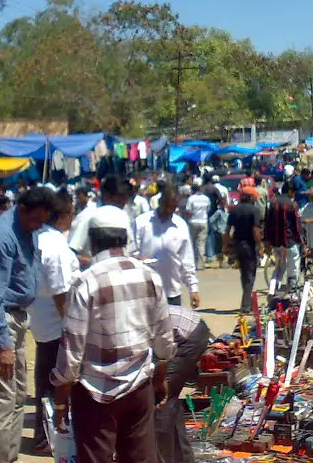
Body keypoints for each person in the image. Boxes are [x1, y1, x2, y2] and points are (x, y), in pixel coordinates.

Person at [50, 205, 175, 463]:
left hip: (95, 394)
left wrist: (61, 403)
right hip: (139, 387)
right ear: (125, 239)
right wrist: (159, 379)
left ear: (93, 241)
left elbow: (71, 354)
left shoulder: (86, 282)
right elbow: (164, 339)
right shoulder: (149, 276)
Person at [0, 187, 53, 463]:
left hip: (16, 318)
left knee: (18, 397)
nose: (38, 226)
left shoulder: (29, 231)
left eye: (43, 221)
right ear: (22, 209)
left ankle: (9, 458)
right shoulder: (1, 235)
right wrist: (2, 345)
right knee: (1, 403)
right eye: (34, 221)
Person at [28, 193, 79, 454]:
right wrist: (74, 328)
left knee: (46, 381)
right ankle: (45, 438)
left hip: (41, 322)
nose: (74, 218)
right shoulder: (55, 245)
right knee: (54, 384)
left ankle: (44, 436)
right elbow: (61, 292)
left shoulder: (38, 239)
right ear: (63, 216)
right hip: (56, 325)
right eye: (72, 213)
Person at [156, 305, 212, 463]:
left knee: (161, 399)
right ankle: (183, 459)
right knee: (170, 399)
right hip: (189, 328)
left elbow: (161, 353)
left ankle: (164, 458)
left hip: (187, 335)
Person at [136, 183, 200, 308]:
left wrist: (193, 288)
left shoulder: (180, 225)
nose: (169, 211)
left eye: (173, 208)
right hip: (145, 292)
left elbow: (186, 259)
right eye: (166, 207)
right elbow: (131, 252)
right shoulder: (142, 223)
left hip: (171, 291)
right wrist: (140, 260)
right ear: (160, 202)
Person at [70, 177, 131, 264]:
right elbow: (71, 254)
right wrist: (98, 263)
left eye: (126, 198)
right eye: (121, 198)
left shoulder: (123, 215)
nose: (124, 202)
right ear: (107, 196)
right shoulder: (87, 216)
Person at [224, 190, 263, 313]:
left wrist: (227, 245)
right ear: (251, 197)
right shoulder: (254, 210)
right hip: (249, 246)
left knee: (244, 274)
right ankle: (246, 306)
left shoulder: (234, 210)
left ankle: (248, 302)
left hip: (237, 245)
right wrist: (260, 245)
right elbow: (255, 230)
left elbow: (227, 230)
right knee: (250, 275)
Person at [264, 182, 303, 292]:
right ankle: (292, 288)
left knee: (279, 266)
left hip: (276, 243)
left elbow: (267, 224)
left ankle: (273, 289)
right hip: (289, 242)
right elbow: (297, 226)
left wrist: (267, 241)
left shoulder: (272, 203)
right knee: (293, 265)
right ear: (290, 191)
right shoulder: (292, 204)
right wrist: (301, 241)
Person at [182, 183, 211, 270]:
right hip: (203, 221)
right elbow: (208, 210)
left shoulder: (191, 199)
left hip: (193, 222)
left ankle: (192, 263)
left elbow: (188, 211)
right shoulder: (206, 198)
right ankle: (200, 264)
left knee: (191, 243)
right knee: (201, 243)